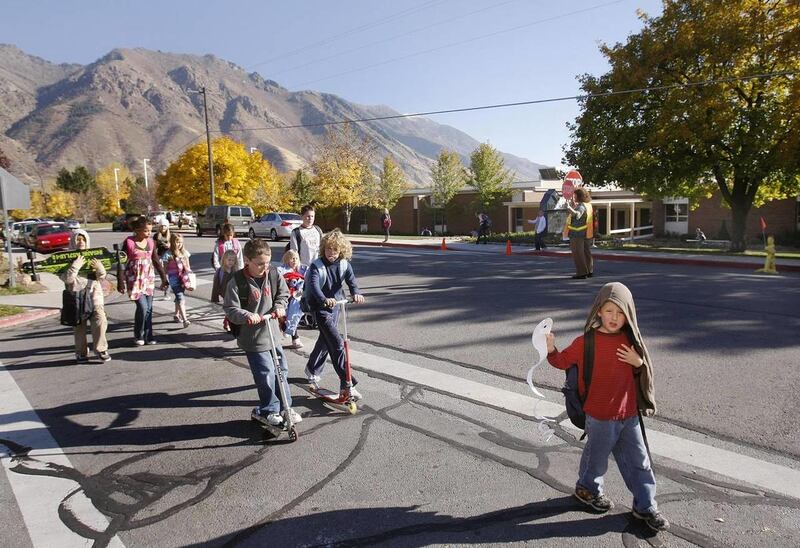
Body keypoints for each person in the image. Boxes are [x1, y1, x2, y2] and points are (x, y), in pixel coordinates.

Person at [545, 282, 669, 532]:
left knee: (640, 462)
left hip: (629, 415)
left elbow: (641, 373)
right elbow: (562, 361)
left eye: (620, 312)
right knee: (596, 459)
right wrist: (550, 349)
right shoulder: (585, 342)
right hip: (600, 416)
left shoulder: (630, 340)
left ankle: (645, 506)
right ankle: (587, 489)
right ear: (599, 311)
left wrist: (639, 362)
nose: (614, 317)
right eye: (609, 311)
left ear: (629, 315)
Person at [223, 239, 302, 427]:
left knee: (281, 370)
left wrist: (280, 306)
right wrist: (247, 315)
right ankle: (270, 409)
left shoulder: (273, 274)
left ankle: (286, 406)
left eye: (267, 263)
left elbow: (283, 294)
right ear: (247, 261)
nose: (264, 267)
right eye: (259, 264)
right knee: (266, 372)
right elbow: (230, 309)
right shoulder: (237, 282)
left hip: (273, 334)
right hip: (253, 338)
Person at [304, 229, 365, 398]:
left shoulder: (344, 264)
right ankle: (347, 383)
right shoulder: (317, 266)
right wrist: (324, 299)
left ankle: (312, 369)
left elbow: (352, 282)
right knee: (337, 343)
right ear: (323, 248)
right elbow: (314, 287)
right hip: (321, 308)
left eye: (335, 250)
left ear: (341, 251)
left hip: (337, 306)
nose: (331, 253)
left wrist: (356, 293)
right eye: (328, 249)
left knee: (325, 340)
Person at [61, 229, 110, 363]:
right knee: (79, 327)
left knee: (100, 321)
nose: (81, 242)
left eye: (83, 239)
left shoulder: (94, 255)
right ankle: (81, 352)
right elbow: (67, 279)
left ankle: (101, 349)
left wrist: (100, 268)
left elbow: (101, 277)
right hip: (76, 297)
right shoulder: (65, 258)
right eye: (78, 239)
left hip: (94, 295)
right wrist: (75, 266)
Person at [120, 217, 168, 346]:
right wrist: (120, 281)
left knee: (149, 309)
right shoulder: (129, 242)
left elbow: (156, 261)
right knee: (143, 307)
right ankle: (138, 335)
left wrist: (164, 278)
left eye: (150, 231)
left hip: (148, 279)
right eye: (146, 231)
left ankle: (148, 335)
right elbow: (121, 262)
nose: (148, 233)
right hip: (134, 280)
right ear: (137, 230)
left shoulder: (151, 242)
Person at [162, 233, 193, 327]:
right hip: (173, 278)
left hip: (183, 278)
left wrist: (190, 276)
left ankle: (176, 315)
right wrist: (165, 280)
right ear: (172, 242)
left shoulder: (184, 253)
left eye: (180, 242)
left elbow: (188, 266)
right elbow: (165, 269)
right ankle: (185, 319)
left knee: (179, 295)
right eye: (177, 242)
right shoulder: (168, 254)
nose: (179, 244)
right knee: (180, 297)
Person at [278, 249, 307, 350]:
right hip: (285, 295)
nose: (294, 260)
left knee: (295, 312)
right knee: (285, 314)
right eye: (292, 258)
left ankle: (291, 332)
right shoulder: (281, 269)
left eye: (296, 258)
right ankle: (292, 334)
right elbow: (277, 281)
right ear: (287, 259)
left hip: (298, 296)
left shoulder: (303, 269)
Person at [564, 188, 594, 279]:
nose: (574, 197)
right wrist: (573, 206)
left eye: (575, 195)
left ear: (579, 196)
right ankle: (589, 271)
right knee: (586, 253)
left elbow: (577, 215)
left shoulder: (581, 206)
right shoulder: (588, 205)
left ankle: (581, 273)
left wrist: (568, 208)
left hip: (577, 234)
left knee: (578, 253)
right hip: (585, 232)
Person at [211, 223, 244, 301]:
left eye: (231, 235)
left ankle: (233, 299)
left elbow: (239, 257)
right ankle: (217, 298)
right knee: (218, 282)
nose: (229, 237)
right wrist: (218, 268)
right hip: (223, 268)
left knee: (235, 284)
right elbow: (215, 257)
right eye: (227, 235)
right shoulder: (219, 244)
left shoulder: (236, 243)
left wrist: (240, 268)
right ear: (224, 234)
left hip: (234, 268)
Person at [153, 219, 171, 299]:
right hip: (160, 257)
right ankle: (163, 283)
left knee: (167, 275)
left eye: (165, 226)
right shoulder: (156, 235)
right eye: (161, 226)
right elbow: (153, 247)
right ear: (159, 227)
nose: (163, 227)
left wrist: (170, 245)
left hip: (169, 257)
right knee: (161, 273)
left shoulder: (171, 235)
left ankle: (166, 293)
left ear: (167, 227)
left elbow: (176, 245)